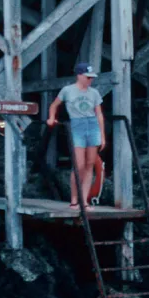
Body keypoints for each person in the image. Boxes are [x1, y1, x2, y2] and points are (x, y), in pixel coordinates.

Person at [46, 62, 106, 209]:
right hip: (77, 124)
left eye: (91, 77)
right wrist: (51, 118)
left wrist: (102, 135)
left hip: (92, 125)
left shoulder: (94, 93)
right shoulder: (68, 90)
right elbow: (54, 105)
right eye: (87, 77)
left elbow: (99, 114)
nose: (90, 80)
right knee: (79, 165)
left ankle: (84, 201)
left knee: (89, 164)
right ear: (79, 76)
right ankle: (74, 199)